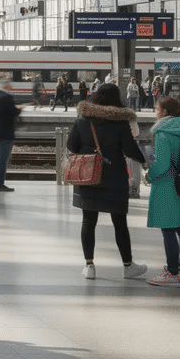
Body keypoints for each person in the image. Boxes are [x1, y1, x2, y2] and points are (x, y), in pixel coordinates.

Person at [67, 83, 147, 280]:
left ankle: (89, 266)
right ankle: (128, 266)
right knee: (120, 222)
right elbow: (129, 149)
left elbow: (71, 146)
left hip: (89, 176)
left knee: (88, 221)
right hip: (114, 177)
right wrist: (144, 161)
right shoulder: (120, 122)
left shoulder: (82, 121)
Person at [144, 96, 180, 286]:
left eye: (157, 109)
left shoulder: (162, 132)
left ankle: (172, 272)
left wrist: (150, 173)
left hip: (167, 185)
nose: (155, 112)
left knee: (168, 229)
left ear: (165, 112)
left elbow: (162, 164)